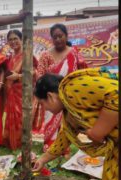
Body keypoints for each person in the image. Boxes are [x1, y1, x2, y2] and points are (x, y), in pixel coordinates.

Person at [32, 67, 119, 180]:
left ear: (50, 96)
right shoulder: (68, 109)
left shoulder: (71, 88)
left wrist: (97, 132)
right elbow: (66, 136)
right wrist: (42, 159)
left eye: (42, 104)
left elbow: (116, 93)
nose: (44, 109)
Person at [36, 23, 88, 156]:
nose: (58, 39)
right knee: (50, 123)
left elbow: (82, 72)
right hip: (50, 98)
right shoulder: (45, 55)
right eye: (55, 37)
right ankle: (49, 147)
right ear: (51, 39)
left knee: (67, 123)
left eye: (61, 36)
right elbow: (40, 76)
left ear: (66, 36)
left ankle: (64, 148)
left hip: (69, 97)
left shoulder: (74, 53)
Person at [3, 30, 42, 150]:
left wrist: (19, 76)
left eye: (16, 39)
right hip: (11, 92)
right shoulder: (9, 57)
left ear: (21, 40)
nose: (13, 42)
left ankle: (22, 143)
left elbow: (36, 73)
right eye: (10, 39)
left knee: (22, 117)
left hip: (23, 92)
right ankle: (11, 142)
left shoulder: (28, 55)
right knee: (11, 117)